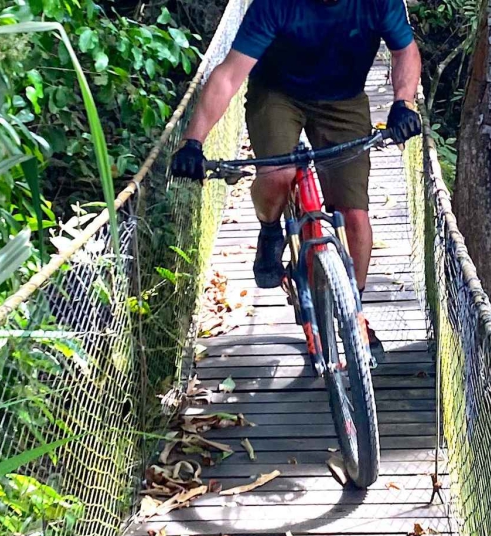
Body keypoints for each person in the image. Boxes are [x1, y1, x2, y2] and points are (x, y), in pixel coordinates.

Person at [169, 0, 423, 332]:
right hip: (277, 93)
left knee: (355, 216)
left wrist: (403, 103)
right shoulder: (275, 5)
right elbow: (229, 76)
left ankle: (354, 318)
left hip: (343, 98)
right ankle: (270, 230)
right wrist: (193, 142)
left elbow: (405, 51)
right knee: (279, 174)